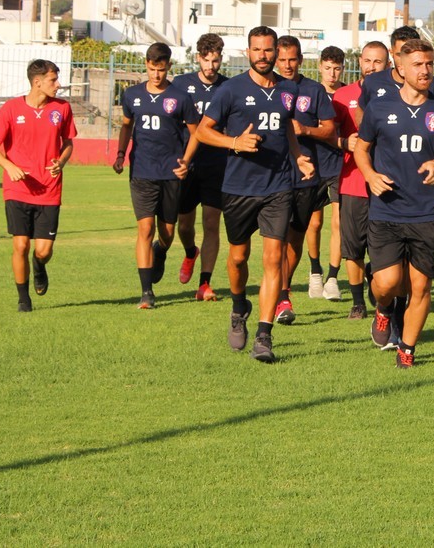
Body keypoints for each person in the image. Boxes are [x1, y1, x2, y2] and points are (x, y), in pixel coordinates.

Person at [178, 26, 315, 362]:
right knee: (238, 258)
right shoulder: (231, 89)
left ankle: (264, 336)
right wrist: (235, 142)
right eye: (257, 50)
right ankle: (239, 307)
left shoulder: (288, 90)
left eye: (268, 50)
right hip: (238, 188)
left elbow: (286, 125)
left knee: (273, 259)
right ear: (248, 52)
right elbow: (204, 131)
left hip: (278, 186)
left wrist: (297, 155)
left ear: (276, 52)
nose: (263, 56)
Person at [353, 39, 434, 368]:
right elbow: (361, 149)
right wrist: (370, 175)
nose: (425, 70)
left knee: (421, 285)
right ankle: (383, 308)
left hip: (427, 211)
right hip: (386, 207)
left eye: (429, 64)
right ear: (400, 68)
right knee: (387, 283)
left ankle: (407, 349)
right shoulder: (379, 108)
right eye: (417, 64)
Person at [0, 59, 77, 312]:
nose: (58, 85)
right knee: (20, 245)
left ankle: (39, 266)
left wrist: (61, 161)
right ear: (37, 82)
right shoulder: (11, 109)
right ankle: (23, 299)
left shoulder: (62, 108)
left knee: (42, 251)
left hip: (49, 189)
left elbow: (68, 143)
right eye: (53, 80)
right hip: (18, 189)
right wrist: (9, 166)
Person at [113, 42, 190, 310]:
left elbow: (196, 132)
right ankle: (146, 292)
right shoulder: (132, 95)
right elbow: (126, 126)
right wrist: (121, 154)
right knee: (145, 228)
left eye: (161, 69)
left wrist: (187, 161)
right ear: (146, 65)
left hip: (170, 173)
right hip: (142, 172)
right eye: (152, 69)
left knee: (167, 233)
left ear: (168, 67)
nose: (156, 74)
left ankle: (161, 250)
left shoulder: (180, 97)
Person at [273, 36, 336, 324]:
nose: (287, 65)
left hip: (306, 177)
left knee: (295, 239)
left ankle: (283, 290)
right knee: (276, 239)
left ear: (300, 59)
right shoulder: (267, 88)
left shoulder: (313, 90)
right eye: (282, 59)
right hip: (273, 176)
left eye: (292, 59)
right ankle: (281, 296)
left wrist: (305, 130)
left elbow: (329, 130)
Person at [332, 41, 391, 320]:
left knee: (384, 248)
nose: (372, 67)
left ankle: (380, 290)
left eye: (378, 62)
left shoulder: (397, 94)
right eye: (367, 61)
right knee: (353, 247)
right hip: (353, 182)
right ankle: (357, 302)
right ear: (359, 62)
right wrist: (344, 142)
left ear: (388, 64)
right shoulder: (343, 95)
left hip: (386, 183)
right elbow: (328, 134)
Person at [174, 33, 229, 301]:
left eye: (215, 61)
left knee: (211, 223)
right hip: (187, 165)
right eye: (206, 61)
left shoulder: (229, 87)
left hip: (216, 165)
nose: (210, 66)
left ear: (221, 59)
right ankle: (189, 252)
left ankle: (204, 283)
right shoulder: (181, 84)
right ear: (198, 58)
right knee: (184, 225)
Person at [316, 45, 348, 300]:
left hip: (340, 165)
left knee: (338, 222)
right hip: (315, 163)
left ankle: (332, 278)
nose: (332, 74)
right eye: (328, 68)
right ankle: (314, 271)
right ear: (320, 67)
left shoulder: (348, 95)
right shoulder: (311, 93)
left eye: (336, 68)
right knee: (314, 223)